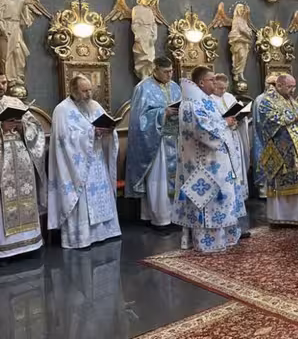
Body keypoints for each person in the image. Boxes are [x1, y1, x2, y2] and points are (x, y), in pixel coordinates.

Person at [173, 66, 245, 252]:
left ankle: (225, 237)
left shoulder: (205, 101)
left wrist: (228, 123)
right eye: (211, 80)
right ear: (201, 82)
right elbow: (202, 132)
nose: (215, 82)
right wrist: (225, 123)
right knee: (207, 201)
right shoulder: (193, 103)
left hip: (215, 162)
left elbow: (214, 123)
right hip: (204, 164)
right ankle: (209, 242)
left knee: (221, 200)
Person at [48, 74, 121, 249]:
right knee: (82, 199)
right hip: (77, 166)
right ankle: (82, 237)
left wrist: (109, 131)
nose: (89, 94)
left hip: (97, 161)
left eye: (90, 90)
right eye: (84, 91)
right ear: (73, 90)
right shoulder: (62, 110)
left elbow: (107, 128)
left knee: (100, 196)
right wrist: (91, 133)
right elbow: (63, 139)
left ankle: (105, 232)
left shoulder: (95, 106)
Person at [124, 56, 181, 230]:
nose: (169, 75)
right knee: (159, 180)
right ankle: (160, 218)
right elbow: (138, 120)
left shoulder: (175, 86)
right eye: (166, 72)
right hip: (156, 143)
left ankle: (176, 216)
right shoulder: (143, 88)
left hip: (175, 139)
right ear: (155, 70)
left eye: (171, 71)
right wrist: (163, 113)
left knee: (177, 179)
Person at [258, 74, 298, 225]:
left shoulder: (290, 99)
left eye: (294, 87)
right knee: (286, 178)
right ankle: (286, 216)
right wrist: (296, 116)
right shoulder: (267, 100)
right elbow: (270, 120)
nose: (293, 90)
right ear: (279, 85)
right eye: (290, 87)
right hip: (282, 148)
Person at [0, 72, 46, 259]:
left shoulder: (15, 102)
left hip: (21, 160)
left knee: (25, 196)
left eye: (4, 82)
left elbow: (37, 129)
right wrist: (2, 128)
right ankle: (5, 250)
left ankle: (29, 244)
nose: (2, 86)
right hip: (2, 163)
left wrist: (22, 126)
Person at [210, 73, 251, 238]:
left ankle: (236, 220)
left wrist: (239, 118)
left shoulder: (229, 97)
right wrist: (225, 121)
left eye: (225, 88)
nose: (222, 91)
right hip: (220, 143)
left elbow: (238, 116)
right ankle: (227, 222)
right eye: (219, 88)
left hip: (233, 139)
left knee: (236, 174)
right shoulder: (208, 100)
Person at [252, 74, 277, 198]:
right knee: (262, 158)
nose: (271, 87)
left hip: (276, 136)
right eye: (269, 84)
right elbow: (258, 119)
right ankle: (263, 189)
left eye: (274, 84)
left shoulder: (279, 99)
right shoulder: (260, 99)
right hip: (263, 135)